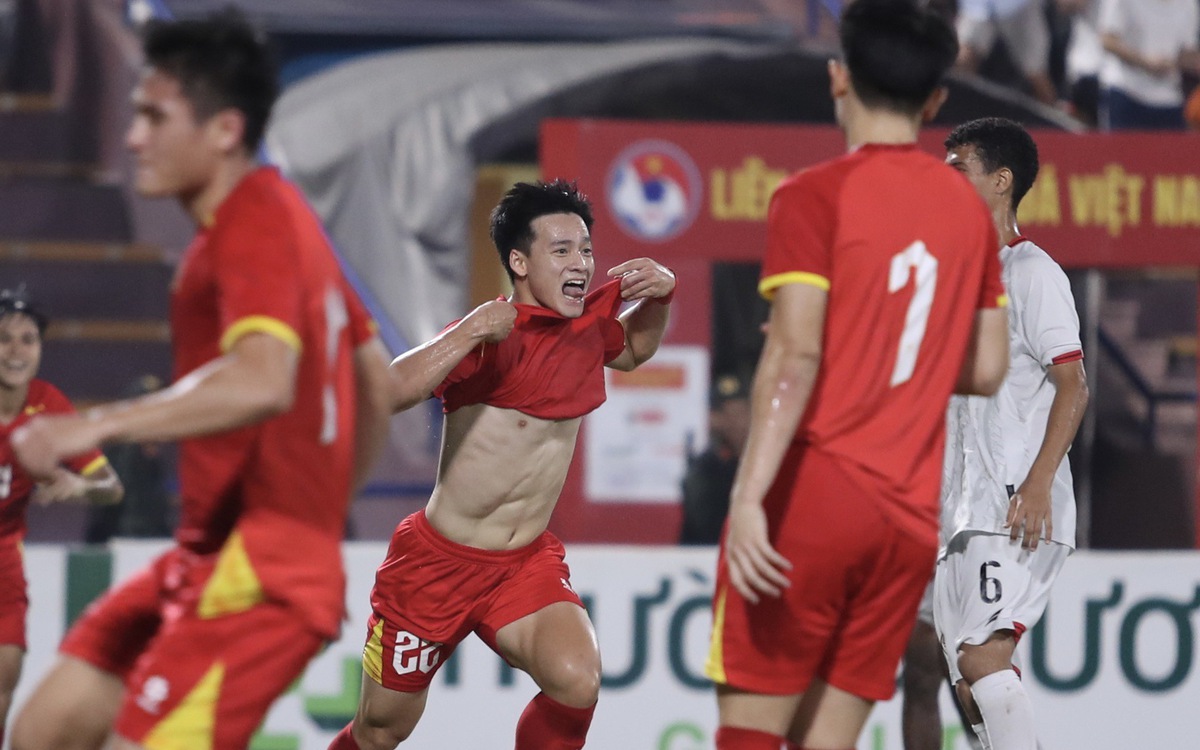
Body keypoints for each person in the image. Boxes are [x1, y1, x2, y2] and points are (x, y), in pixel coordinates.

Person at [9, 11, 391, 750]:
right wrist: (317, 514)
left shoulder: (253, 219)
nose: (132, 140)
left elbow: (262, 381)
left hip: (257, 572)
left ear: (223, 129)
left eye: (154, 117)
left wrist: (98, 424)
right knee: (44, 732)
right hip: (214, 555)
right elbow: (373, 383)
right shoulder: (289, 222)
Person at [704, 1, 1012, 748]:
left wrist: (748, 499)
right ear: (935, 100)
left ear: (838, 77)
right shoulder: (969, 213)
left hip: (817, 494)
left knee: (751, 732)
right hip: (907, 521)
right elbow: (990, 365)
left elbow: (796, 353)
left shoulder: (811, 195)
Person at [328, 179, 675, 750]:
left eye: (585, 249)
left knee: (576, 679)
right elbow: (384, 392)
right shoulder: (490, 337)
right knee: (380, 730)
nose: (581, 263)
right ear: (519, 260)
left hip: (522, 565)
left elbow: (635, 350)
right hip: (436, 566)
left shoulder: (586, 330)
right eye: (561, 250)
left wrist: (660, 298)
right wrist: (466, 330)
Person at [936, 117, 1088, 750]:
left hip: (1015, 503)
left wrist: (1038, 482)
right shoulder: (953, 275)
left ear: (1001, 181)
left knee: (981, 660)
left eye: (958, 169)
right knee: (968, 684)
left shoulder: (1032, 273)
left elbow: (1073, 384)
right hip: (962, 510)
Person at [0, 289, 124, 741]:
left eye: (28, 339)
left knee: (6, 670)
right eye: (5, 339)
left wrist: (79, 487)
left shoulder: (47, 403)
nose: (16, 351)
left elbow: (112, 489)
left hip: (3, 556)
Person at [84, 375, 175, 544]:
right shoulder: (122, 455)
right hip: (125, 545)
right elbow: (108, 511)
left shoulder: (152, 457)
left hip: (149, 545)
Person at [1097, 0, 1200, 130]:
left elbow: (1186, 50)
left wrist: (1182, 62)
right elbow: (1108, 40)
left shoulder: (1188, 4)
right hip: (1126, 91)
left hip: (1168, 97)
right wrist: (1144, 62)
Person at [679, 372, 751, 546]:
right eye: (732, 414)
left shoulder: (764, 462)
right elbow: (708, 527)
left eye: (745, 411)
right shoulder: (706, 470)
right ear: (714, 419)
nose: (742, 421)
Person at [954, 0, 1059, 106]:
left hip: (1020, 6)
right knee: (963, 60)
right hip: (979, 6)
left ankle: (1054, 116)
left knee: (1035, 71)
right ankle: (956, 111)